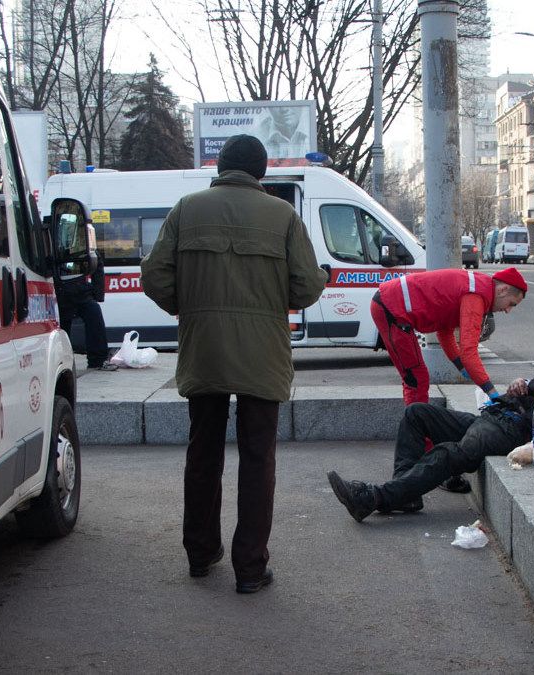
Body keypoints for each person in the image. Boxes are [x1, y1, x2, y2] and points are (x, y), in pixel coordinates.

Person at [141, 134, 326, 594]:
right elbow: (304, 287)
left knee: (202, 453)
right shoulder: (282, 216)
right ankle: (249, 568)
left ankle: (201, 555)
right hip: (262, 356)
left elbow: (153, 275)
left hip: (204, 350)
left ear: (220, 167)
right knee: (258, 458)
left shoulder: (187, 209)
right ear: (261, 172)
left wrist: (191, 308)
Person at [327, 377, 534, 522]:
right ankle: (405, 495)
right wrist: (518, 389)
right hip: (498, 418)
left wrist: (533, 382)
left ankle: (375, 498)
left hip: (509, 429)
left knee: (452, 453)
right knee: (417, 413)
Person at [372, 267, 527, 407]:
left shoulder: (477, 288)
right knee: (416, 379)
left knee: (416, 377)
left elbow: (445, 332)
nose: (508, 310)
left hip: (390, 305)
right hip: (392, 308)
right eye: (511, 304)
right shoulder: (476, 296)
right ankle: (417, 434)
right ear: (503, 290)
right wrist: (492, 393)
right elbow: (469, 352)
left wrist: (460, 366)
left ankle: (417, 430)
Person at [57, 243, 114, 370]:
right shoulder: (56, 242)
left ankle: (98, 360)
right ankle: (62, 361)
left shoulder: (82, 245)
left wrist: (97, 295)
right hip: (60, 292)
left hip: (79, 291)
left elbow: (97, 262)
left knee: (94, 312)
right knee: (62, 327)